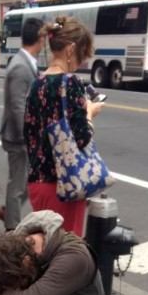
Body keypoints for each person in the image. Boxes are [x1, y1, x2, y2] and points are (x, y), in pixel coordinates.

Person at [24, 16, 105, 237]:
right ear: (71, 49)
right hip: (65, 184)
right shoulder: (71, 83)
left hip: (37, 183)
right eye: (82, 55)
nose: (81, 62)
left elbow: (29, 135)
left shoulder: (36, 84)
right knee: (66, 251)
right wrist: (90, 113)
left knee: (44, 246)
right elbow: (82, 138)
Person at [0, 18, 44, 231]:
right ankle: (11, 228)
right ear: (40, 38)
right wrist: (28, 138)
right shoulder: (20, 66)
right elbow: (18, 106)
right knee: (18, 183)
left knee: (27, 181)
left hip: (21, 135)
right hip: (18, 136)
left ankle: (9, 212)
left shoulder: (25, 63)